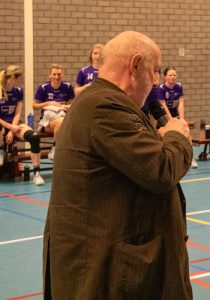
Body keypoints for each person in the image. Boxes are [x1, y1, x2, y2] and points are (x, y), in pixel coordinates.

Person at [42, 31, 193, 299]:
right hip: (111, 272)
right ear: (135, 65)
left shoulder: (100, 102)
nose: (156, 81)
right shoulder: (106, 107)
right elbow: (162, 170)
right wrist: (176, 135)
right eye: (155, 71)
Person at [0, 66, 45, 185]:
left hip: (13, 124)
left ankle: (36, 173)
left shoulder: (18, 91)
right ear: (14, 78)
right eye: (21, 78)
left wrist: (12, 130)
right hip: (1, 124)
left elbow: (18, 113)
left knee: (34, 137)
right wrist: (9, 128)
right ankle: (1, 150)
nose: (22, 81)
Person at [158, 66, 198, 169]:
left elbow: (181, 104)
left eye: (174, 75)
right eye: (170, 75)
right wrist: (171, 120)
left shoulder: (179, 87)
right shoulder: (161, 89)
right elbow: (164, 106)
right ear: (165, 77)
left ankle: (190, 158)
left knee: (186, 130)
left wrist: (182, 118)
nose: (172, 77)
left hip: (175, 115)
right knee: (167, 133)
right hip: (164, 116)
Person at [33, 64, 75, 159]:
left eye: (59, 74)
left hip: (62, 116)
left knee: (63, 122)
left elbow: (73, 105)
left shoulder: (67, 86)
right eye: (54, 74)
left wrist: (62, 106)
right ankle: (55, 149)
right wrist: (48, 103)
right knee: (62, 123)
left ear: (62, 75)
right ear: (50, 75)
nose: (57, 77)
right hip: (47, 122)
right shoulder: (43, 87)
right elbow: (35, 106)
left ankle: (60, 150)